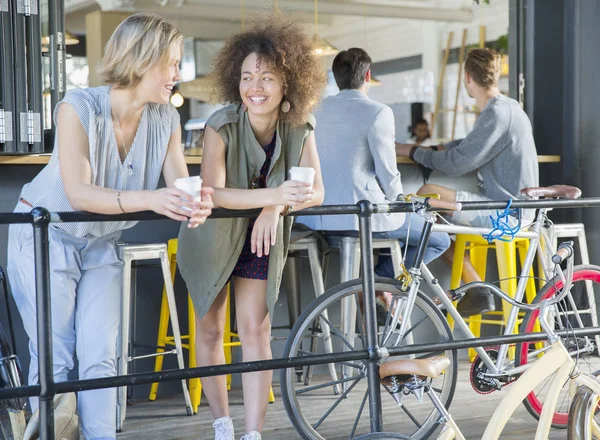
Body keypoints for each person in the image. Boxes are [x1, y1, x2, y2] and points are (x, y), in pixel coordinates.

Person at [6, 13, 214, 439]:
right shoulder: (78, 106)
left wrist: (196, 201)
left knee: (103, 355)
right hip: (47, 235)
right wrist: (154, 199)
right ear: (142, 59)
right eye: (172, 63)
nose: (177, 74)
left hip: (103, 241)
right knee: (54, 355)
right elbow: (80, 194)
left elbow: (179, 182)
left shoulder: (165, 120)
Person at [176, 13, 326, 440]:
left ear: (287, 87)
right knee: (209, 328)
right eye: (246, 77)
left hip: (261, 237)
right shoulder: (221, 124)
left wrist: (272, 211)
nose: (254, 88)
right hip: (212, 236)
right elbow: (213, 193)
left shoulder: (300, 127)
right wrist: (276, 197)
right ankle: (222, 425)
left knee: (256, 331)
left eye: (266, 78)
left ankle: (252, 433)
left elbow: (316, 191)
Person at [295, 48, 451, 320]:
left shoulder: (313, 111)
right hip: (363, 219)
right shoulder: (378, 112)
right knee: (437, 237)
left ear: (336, 77)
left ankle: (375, 284)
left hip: (318, 220)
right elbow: (387, 173)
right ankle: (380, 282)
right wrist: (402, 203)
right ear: (368, 75)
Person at [397, 48, 539, 315]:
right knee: (434, 220)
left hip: (505, 215)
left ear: (467, 77)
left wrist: (413, 152)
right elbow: (469, 145)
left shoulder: (497, 113)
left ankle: (474, 286)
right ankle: (475, 286)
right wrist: (438, 147)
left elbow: (458, 162)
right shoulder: (507, 107)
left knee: (426, 196)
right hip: (511, 208)